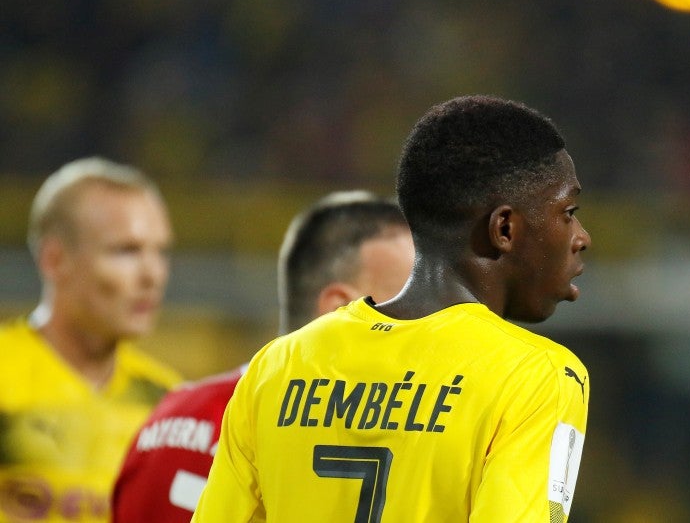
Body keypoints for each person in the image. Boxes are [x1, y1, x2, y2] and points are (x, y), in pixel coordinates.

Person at [193, 94, 593, 522]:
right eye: (568, 212)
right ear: (505, 228)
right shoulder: (538, 376)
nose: (582, 236)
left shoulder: (276, 367)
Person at [110, 190, 415, 522]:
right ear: (339, 311)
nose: (436, 328)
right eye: (414, 306)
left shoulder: (176, 420)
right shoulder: (410, 435)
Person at [0, 157, 184, 522]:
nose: (152, 275)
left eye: (161, 252)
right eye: (126, 250)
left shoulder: (169, 404)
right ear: (55, 260)